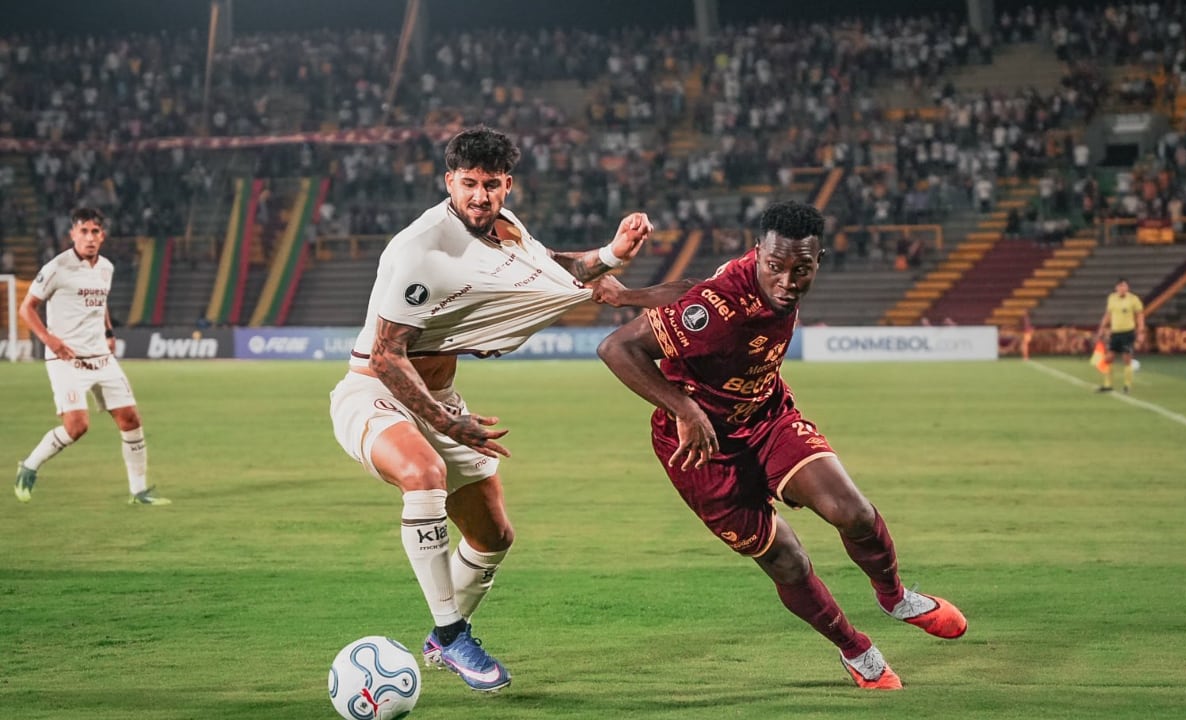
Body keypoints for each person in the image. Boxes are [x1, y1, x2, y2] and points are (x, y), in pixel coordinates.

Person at [328, 126, 652, 693]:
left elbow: (550, 270)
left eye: (493, 185)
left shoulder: (506, 228)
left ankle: (438, 634)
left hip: (442, 402)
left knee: (493, 536)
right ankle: (454, 637)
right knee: (422, 474)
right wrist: (447, 423)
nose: (481, 196)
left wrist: (610, 255)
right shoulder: (418, 250)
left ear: (508, 185)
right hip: (374, 393)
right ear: (449, 180)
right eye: (470, 184)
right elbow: (384, 355)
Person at [595, 201, 966, 691]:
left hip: (767, 416)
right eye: (776, 267)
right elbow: (617, 348)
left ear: (819, 260)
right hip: (701, 447)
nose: (787, 282)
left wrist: (630, 295)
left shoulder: (753, 271)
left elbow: (688, 291)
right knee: (786, 558)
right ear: (759, 254)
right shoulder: (723, 304)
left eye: (801, 269)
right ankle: (855, 649)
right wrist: (685, 409)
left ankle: (894, 598)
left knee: (851, 510)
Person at [14, 208, 168, 505]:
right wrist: (50, 340)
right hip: (67, 359)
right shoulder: (57, 267)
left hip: (101, 357)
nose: (89, 237)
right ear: (72, 234)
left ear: (103, 236)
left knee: (130, 419)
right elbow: (26, 308)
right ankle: (29, 465)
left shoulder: (106, 268)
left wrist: (109, 332)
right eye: (83, 231)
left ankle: (138, 491)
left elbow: (100, 305)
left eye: (95, 232)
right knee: (77, 426)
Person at [1094, 277, 1145, 394]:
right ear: (1116, 288)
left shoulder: (1133, 299)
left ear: (1128, 287)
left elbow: (1140, 316)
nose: (1122, 288)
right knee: (1108, 358)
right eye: (1120, 286)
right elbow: (1108, 314)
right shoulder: (1112, 298)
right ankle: (1108, 385)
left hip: (1127, 333)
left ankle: (1127, 386)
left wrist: (1141, 331)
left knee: (1126, 359)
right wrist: (1101, 328)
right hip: (1115, 333)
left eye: (1124, 286)